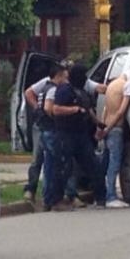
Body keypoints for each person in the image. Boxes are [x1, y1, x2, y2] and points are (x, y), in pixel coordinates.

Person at [22, 65, 82, 206]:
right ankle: (40, 192)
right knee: (51, 162)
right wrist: (44, 112)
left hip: (46, 127)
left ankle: (60, 196)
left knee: (52, 163)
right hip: (48, 127)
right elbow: (45, 104)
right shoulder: (51, 87)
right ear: (59, 75)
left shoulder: (52, 86)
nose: (67, 80)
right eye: (65, 76)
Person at [50, 64, 106, 211]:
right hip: (65, 134)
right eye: (82, 75)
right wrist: (74, 110)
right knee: (63, 168)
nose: (84, 78)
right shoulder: (64, 90)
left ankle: (101, 198)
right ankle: (57, 201)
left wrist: (98, 123)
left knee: (93, 165)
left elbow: (88, 109)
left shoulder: (82, 92)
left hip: (81, 135)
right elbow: (56, 109)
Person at [97, 68, 130, 208]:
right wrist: (110, 128)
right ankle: (111, 196)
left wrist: (103, 128)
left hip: (107, 127)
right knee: (114, 164)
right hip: (116, 128)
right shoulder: (127, 86)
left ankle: (100, 195)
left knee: (104, 164)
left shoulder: (112, 85)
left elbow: (105, 109)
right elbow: (121, 111)